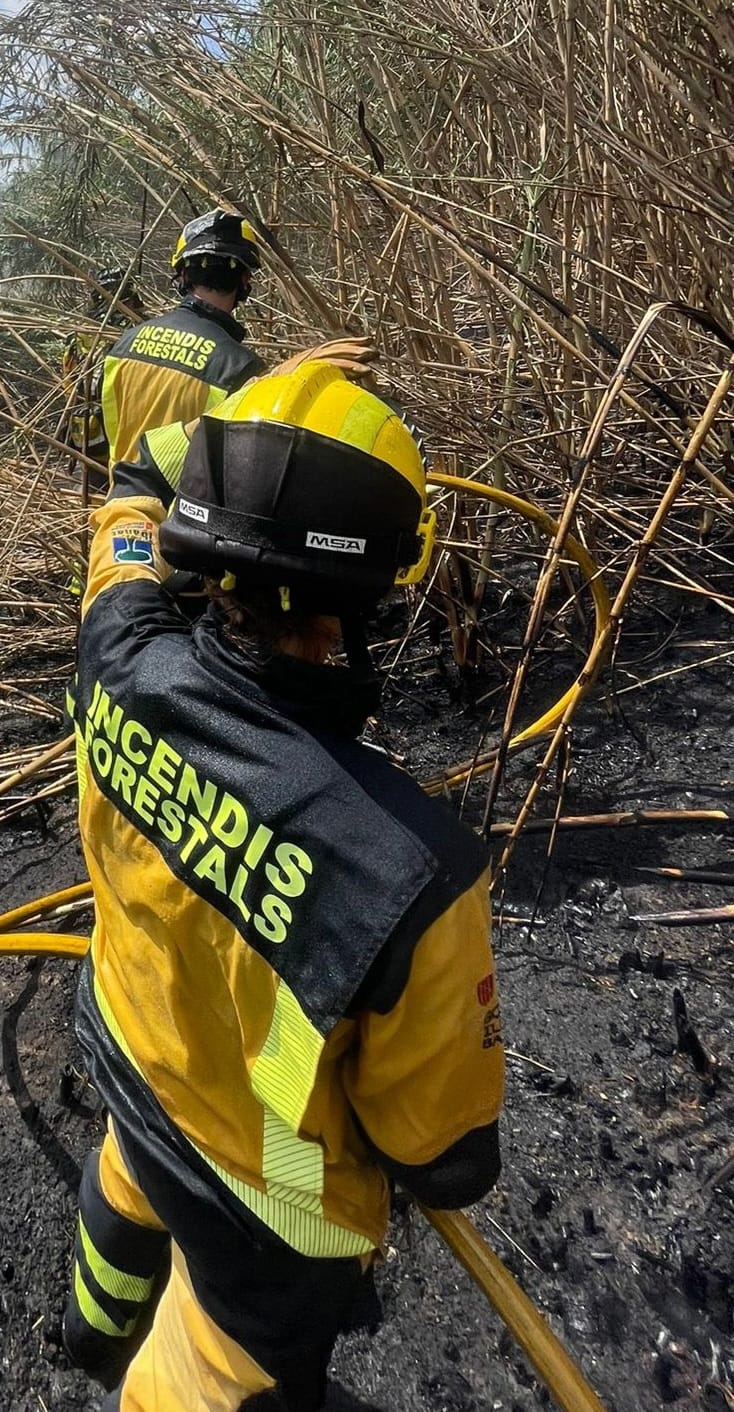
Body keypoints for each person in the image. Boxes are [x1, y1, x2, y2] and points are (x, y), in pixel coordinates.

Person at [62, 360, 505, 1411]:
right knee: (209, 1373)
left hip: (126, 1047)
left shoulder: (118, 643)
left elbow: (122, 515)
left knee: (128, 1175)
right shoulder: (409, 871)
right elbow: (437, 1155)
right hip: (267, 1201)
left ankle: (88, 1324)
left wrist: (233, 432)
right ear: (363, 600)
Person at [99, 210, 269, 471]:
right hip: (184, 511)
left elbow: (112, 432)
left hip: (123, 506)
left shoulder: (125, 344)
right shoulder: (241, 368)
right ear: (245, 280)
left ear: (183, 276)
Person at [61, 266, 146, 474]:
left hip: (86, 439)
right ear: (129, 300)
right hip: (123, 446)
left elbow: (68, 387)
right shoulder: (139, 336)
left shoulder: (80, 336)